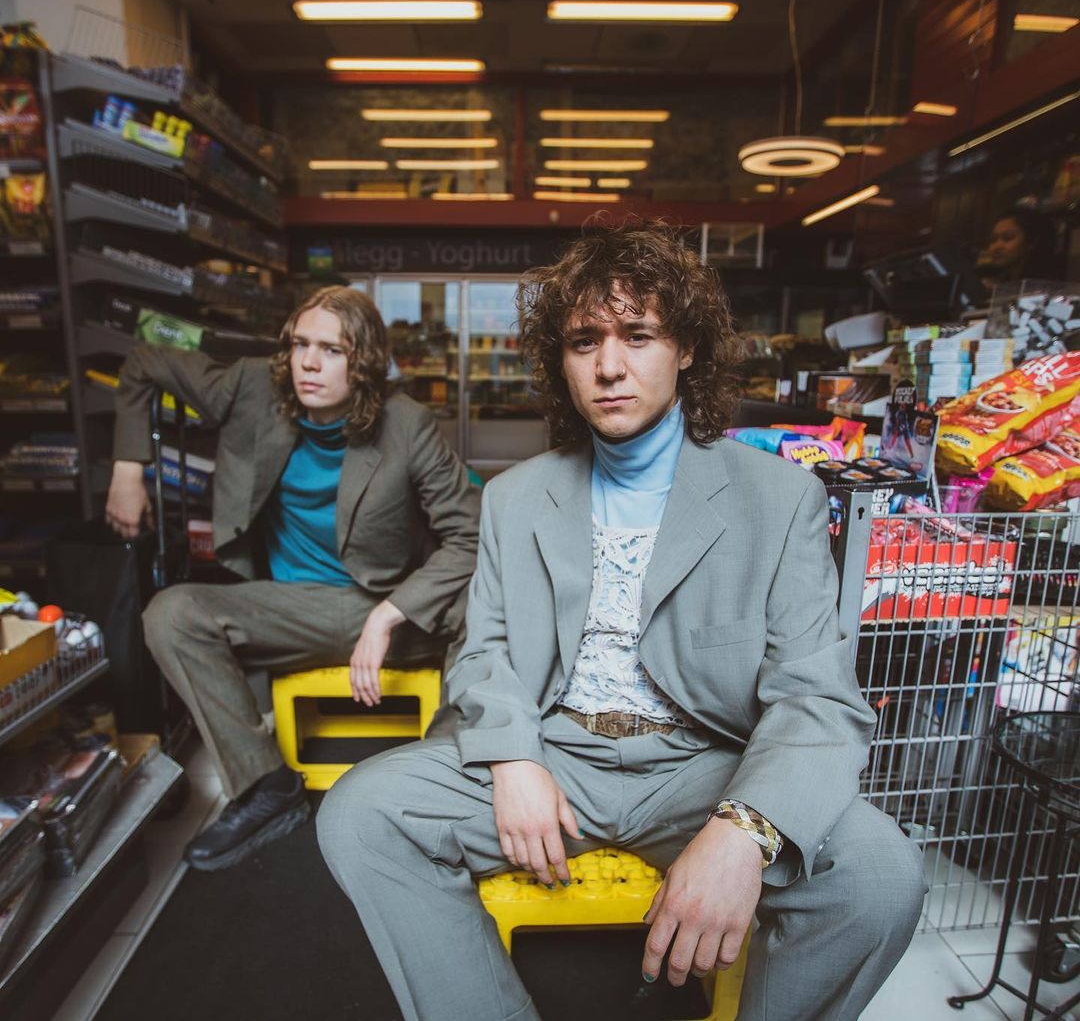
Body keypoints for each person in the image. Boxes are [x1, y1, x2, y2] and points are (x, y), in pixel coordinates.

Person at [317, 220, 925, 1021]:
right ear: (561, 361)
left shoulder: (779, 499)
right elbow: (482, 649)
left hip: (702, 765)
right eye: (584, 342)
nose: (609, 365)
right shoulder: (515, 497)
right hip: (554, 752)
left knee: (880, 874)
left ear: (687, 349)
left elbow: (817, 697)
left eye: (637, 336)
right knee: (361, 814)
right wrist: (513, 758)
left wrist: (743, 831)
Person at [105, 285, 481, 871]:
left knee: (482, 604)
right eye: (301, 344)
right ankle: (266, 786)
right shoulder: (251, 386)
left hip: (382, 604)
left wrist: (389, 614)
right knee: (171, 613)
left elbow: (470, 534)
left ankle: (440, 782)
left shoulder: (405, 423)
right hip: (291, 606)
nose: (308, 362)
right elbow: (144, 361)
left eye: (331, 350)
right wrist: (127, 469)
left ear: (364, 362)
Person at [976, 207, 1059, 292]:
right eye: (993, 240)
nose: (996, 247)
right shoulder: (994, 279)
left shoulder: (1044, 286)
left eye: (1008, 238)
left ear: (1031, 242)